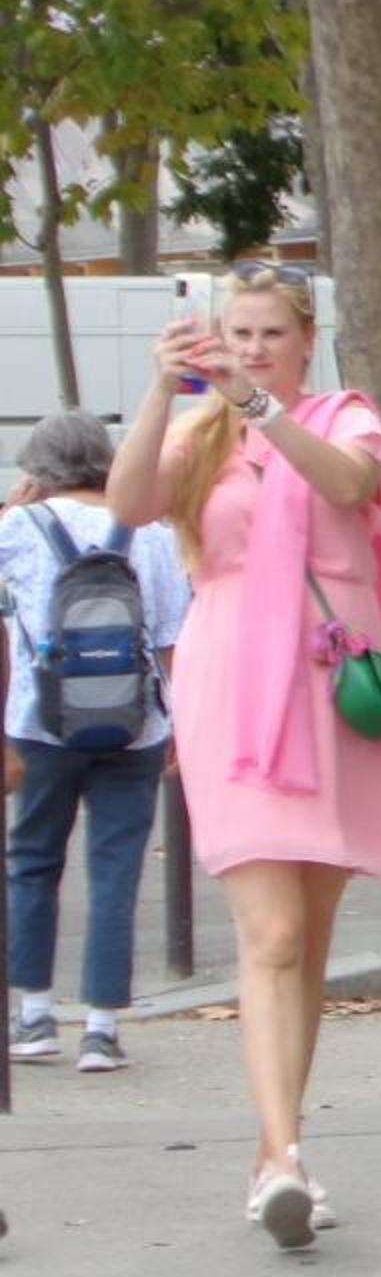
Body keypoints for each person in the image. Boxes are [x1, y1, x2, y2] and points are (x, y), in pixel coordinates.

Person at [109, 261, 381, 1250]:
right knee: (272, 933)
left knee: (309, 938)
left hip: (330, 686)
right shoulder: (201, 433)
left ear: (306, 339)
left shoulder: (343, 417)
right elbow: (128, 503)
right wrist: (162, 393)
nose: (252, 350)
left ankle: (274, 1146)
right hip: (235, 686)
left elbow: (350, 483)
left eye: (271, 334)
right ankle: (283, 1163)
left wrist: (260, 408)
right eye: (237, 334)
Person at [5, 411, 192, 1075]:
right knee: (116, 870)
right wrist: (179, 722)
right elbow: (170, 638)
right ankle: (102, 1029)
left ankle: (33, 1017)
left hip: (40, 722)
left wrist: (14, 506)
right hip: (136, 724)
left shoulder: (20, 527)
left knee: (32, 861)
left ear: (38, 468)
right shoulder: (151, 532)